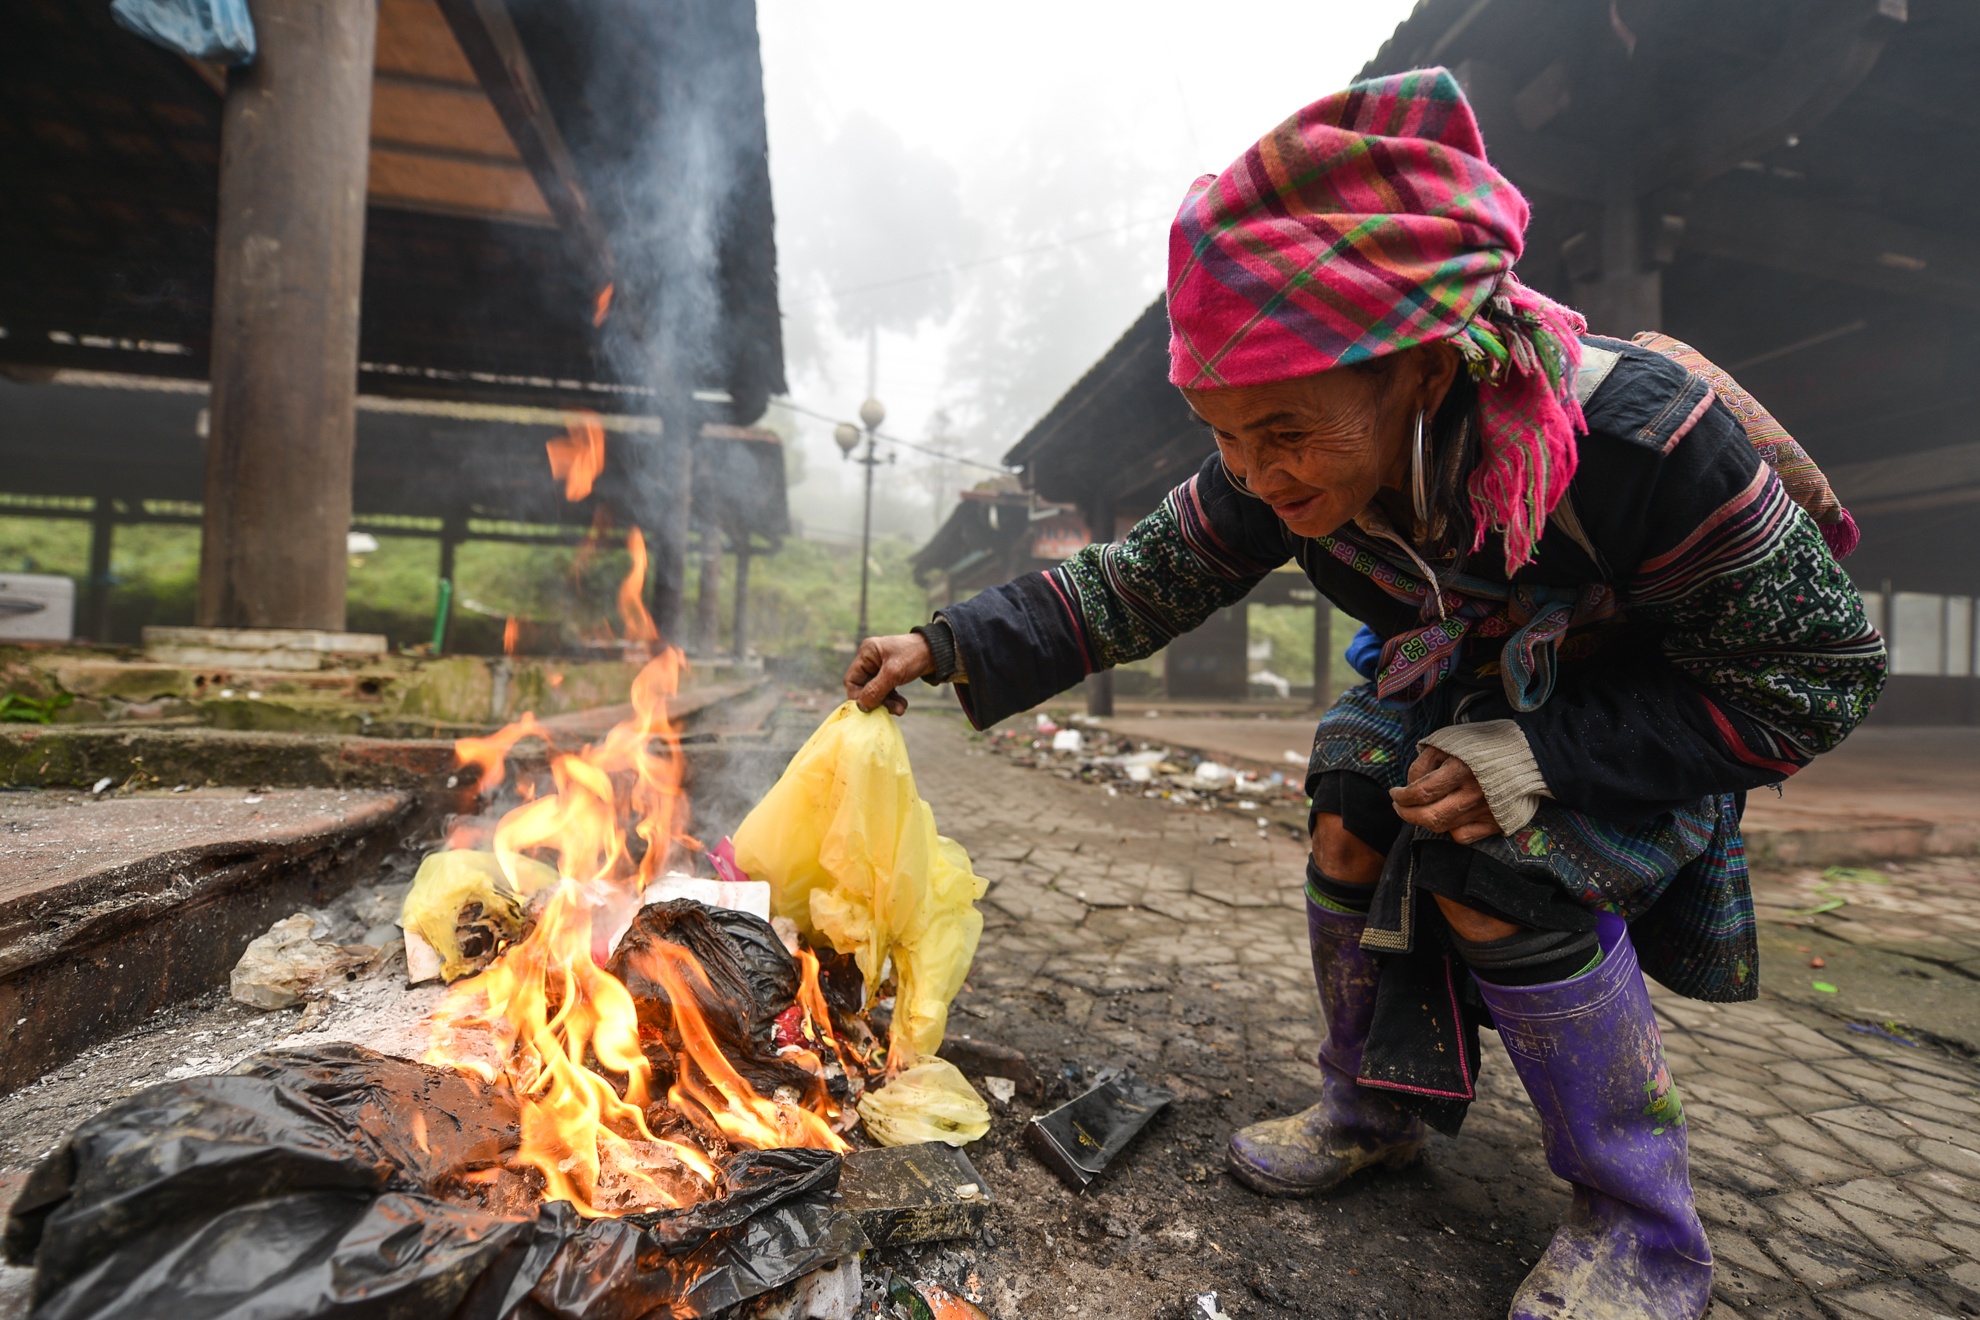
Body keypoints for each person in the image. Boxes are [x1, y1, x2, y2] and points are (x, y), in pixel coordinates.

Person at [843, 69, 1884, 1320]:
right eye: (1222, 433)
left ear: (1427, 373)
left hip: (1646, 715)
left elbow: (1815, 680)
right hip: (1475, 679)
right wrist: (944, 643)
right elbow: (1143, 577)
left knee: (1499, 870)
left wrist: (1540, 756)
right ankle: (1375, 1107)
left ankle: (1641, 1222)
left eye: (1284, 431)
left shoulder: (1649, 441)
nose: (1255, 472)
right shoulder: (1269, 456)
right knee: (1351, 793)